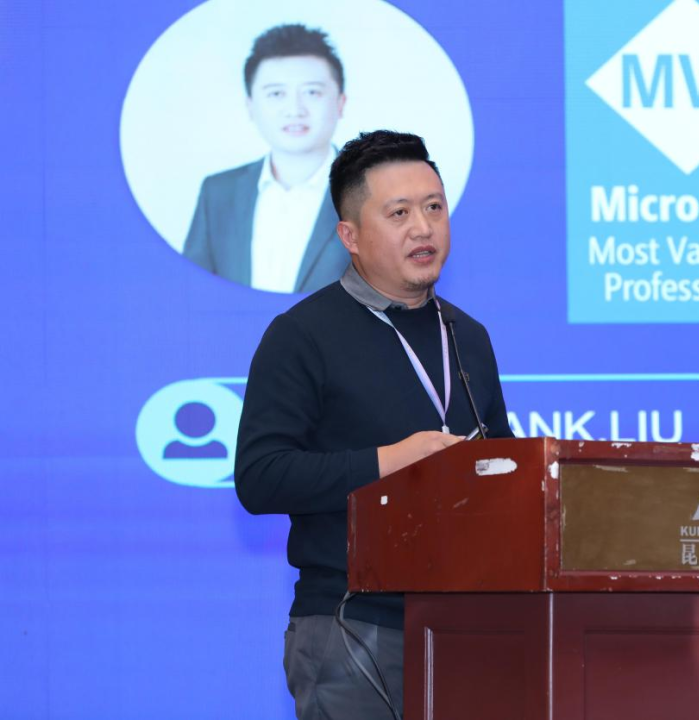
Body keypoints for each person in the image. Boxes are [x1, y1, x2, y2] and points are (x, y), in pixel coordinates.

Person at [234, 130, 513, 719]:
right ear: (351, 236)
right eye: (399, 213)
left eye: (434, 207)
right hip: (352, 627)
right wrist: (392, 461)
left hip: (467, 627)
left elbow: (504, 466)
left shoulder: (468, 336)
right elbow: (260, 478)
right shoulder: (302, 336)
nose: (424, 227)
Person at [184, 24, 350, 293]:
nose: (294, 110)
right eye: (276, 94)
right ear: (250, 106)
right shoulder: (218, 192)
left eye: (312, 92)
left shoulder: (374, 191)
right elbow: (192, 291)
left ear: (340, 102)